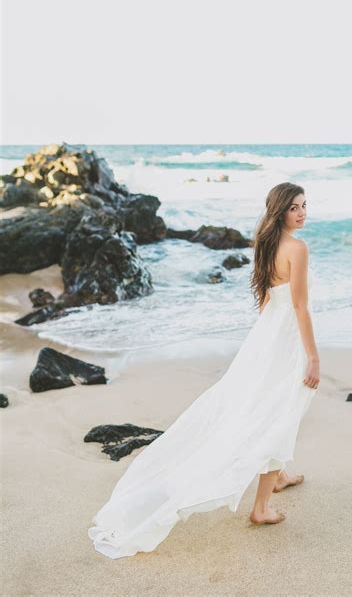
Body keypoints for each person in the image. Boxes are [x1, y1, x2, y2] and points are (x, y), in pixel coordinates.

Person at [88, 182, 321, 559]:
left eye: (305, 206)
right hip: (286, 337)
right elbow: (299, 308)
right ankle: (261, 508)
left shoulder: (265, 243)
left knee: (255, 404)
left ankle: (277, 475)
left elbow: (265, 299)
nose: (303, 213)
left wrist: (262, 344)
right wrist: (313, 356)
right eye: (295, 207)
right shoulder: (297, 247)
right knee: (277, 412)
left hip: (265, 336)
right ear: (280, 211)